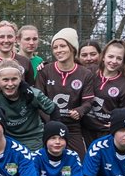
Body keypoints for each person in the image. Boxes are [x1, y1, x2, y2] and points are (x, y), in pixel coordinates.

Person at [34, 28, 95, 157]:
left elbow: (88, 101)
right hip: (48, 126)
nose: (58, 50)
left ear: (73, 48)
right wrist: (50, 122)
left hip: (72, 127)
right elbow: (38, 101)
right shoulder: (44, 71)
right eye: (55, 47)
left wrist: (80, 110)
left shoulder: (85, 74)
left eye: (62, 46)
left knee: (79, 164)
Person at [0, 59, 58, 150]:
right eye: (5, 80)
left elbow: (54, 110)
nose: (10, 84)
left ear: (20, 78)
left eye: (14, 79)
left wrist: (52, 134)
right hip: (6, 140)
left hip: (32, 139)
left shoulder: (33, 94)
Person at [83, 39, 125, 148]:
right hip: (85, 129)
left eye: (119, 58)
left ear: (123, 61)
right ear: (103, 56)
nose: (114, 61)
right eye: (110, 56)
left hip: (106, 132)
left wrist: (118, 122)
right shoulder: (90, 72)